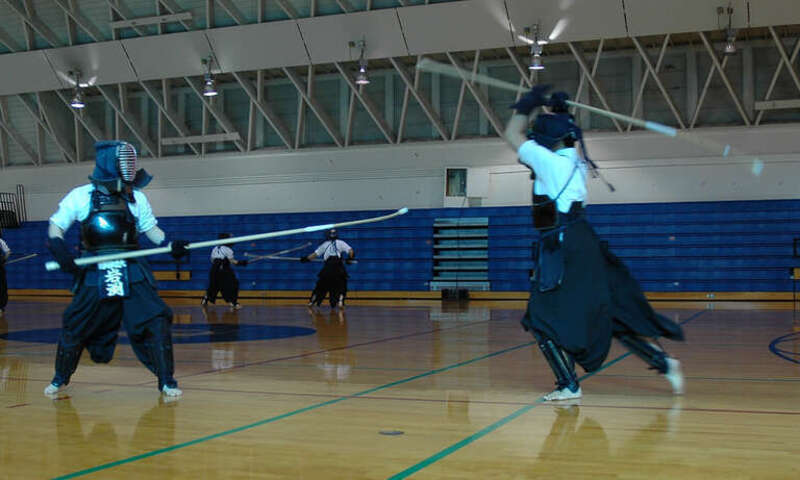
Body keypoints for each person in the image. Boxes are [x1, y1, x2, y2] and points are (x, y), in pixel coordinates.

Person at [504, 86, 685, 401]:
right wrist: (559, 112)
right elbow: (557, 136)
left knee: (540, 318)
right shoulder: (572, 160)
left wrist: (526, 106)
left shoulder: (550, 163)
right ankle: (663, 362)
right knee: (607, 311)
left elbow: (511, 134)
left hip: (564, 248)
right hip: (584, 242)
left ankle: (568, 385)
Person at [44, 141, 189, 398]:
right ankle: (59, 378)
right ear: (110, 163)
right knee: (75, 324)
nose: (131, 168)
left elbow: (151, 229)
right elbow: (57, 225)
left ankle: (166, 380)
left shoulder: (137, 197)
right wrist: (59, 249)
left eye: (132, 162)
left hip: (132, 269)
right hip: (94, 270)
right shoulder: (80, 195)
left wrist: (170, 245)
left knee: (156, 321)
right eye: (125, 162)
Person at [300, 229, 354, 309]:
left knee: (321, 286)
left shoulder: (324, 245)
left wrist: (305, 259)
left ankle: (313, 301)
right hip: (338, 268)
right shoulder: (341, 243)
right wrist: (350, 259)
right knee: (341, 284)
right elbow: (351, 251)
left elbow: (314, 255)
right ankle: (340, 300)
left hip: (328, 268)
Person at [201, 233, 247, 310]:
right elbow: (233, 262)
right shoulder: (228, 250)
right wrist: (242, 263)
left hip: (214, 269)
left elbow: (212, 260)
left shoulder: (215, 248)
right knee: (233, 284)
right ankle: (233, 302)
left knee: (214, 285)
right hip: (223, 269)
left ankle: (206, 298)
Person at [0, 229, 9, 316]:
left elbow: (7, 252)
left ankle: (1, 306)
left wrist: (3, 260)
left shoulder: (0, 241)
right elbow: (7, 252)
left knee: (2, 287)